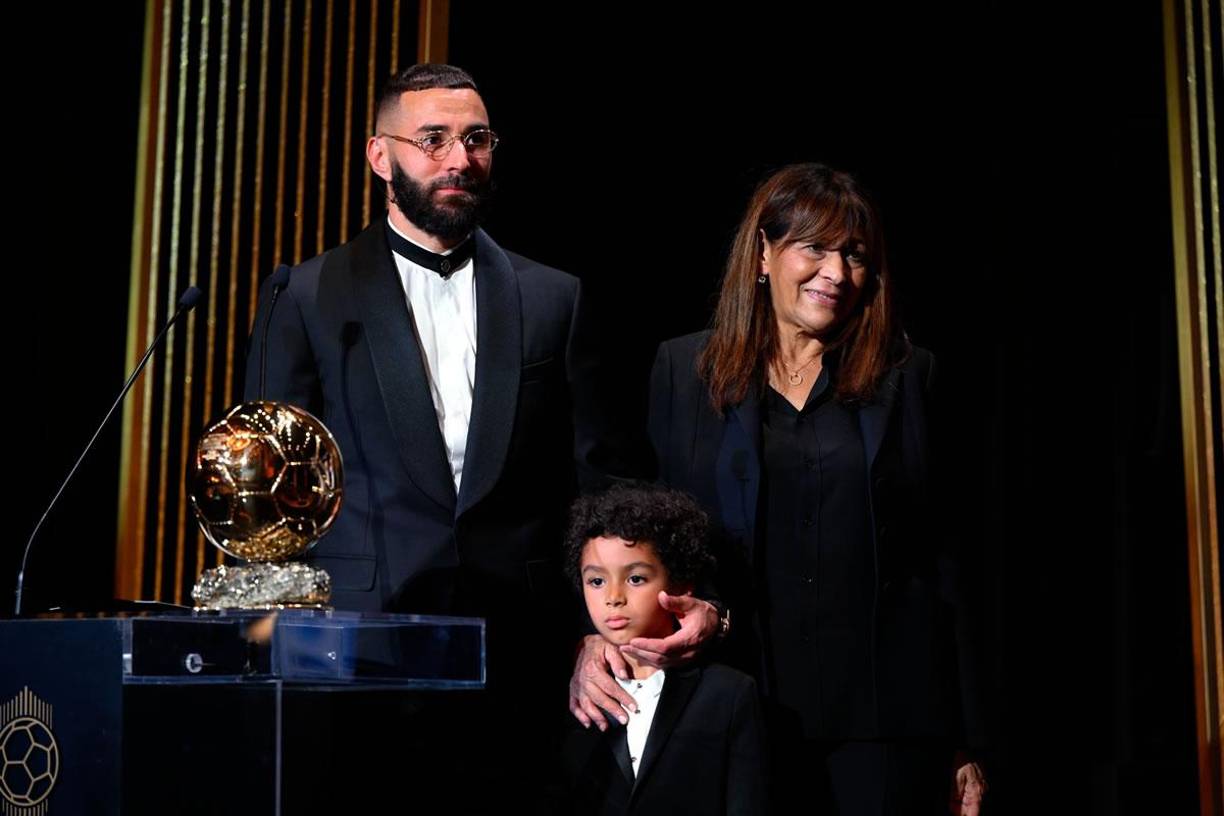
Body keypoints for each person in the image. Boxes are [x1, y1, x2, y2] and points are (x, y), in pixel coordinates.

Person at [244, 63, 618, 808]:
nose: (459, 159)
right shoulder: (307, 294)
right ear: (380, 156)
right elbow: (270, 487)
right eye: (434, 139)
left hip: (523, 649)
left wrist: (596, 626)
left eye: (476, 139)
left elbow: (599, 479)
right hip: (358, 649)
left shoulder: (555, 297)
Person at [579, 163, 988, 814]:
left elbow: (948, 564)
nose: (837, 272)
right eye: (815, 247)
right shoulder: (683, 371)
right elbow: (643, 542)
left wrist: (965, 740)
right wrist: (606, 633)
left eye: (855, 254)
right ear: (764, 253)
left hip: (885, 723)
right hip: (733, 701)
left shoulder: (910, 376)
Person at [561, 483, 766, 815]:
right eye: (597, 581)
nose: (613, 597)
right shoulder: (573, 696)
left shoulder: (729, 694)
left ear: (681, 583)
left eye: (636, 579)